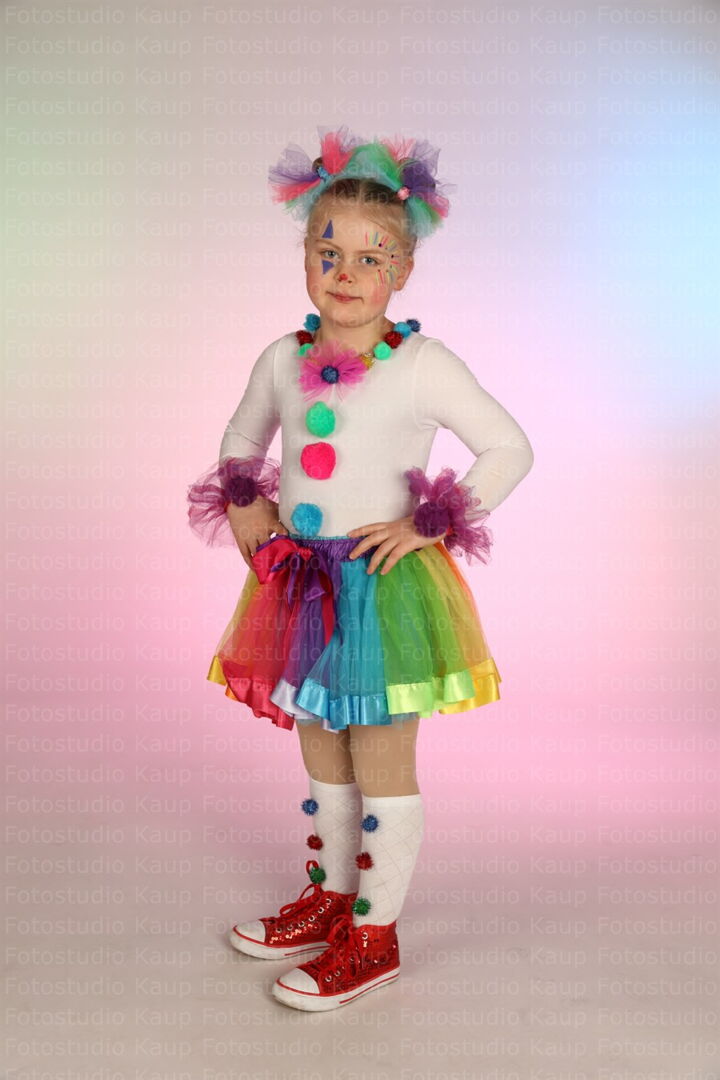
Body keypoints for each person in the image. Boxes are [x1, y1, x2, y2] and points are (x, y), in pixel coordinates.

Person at [186, 126, 534, 1012]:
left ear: (402, 271)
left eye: (370, 258)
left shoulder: (421, 365)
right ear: (305, 255)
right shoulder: (282, 357)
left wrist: (431, 521)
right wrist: (245, 505)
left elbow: (509, 447)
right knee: (320, 741)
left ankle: (374, 938)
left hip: (381, 590)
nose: (345, 272)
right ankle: (333, 900)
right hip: (299, 582)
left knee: (379, 751)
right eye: (327, 251)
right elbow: (241, 437)